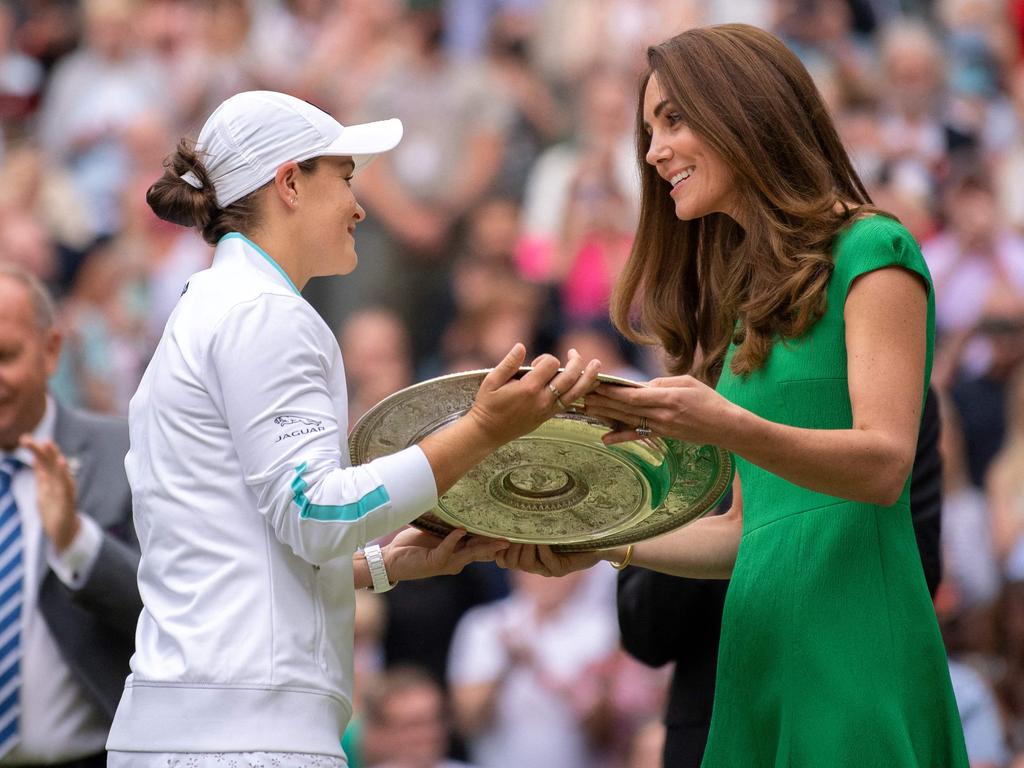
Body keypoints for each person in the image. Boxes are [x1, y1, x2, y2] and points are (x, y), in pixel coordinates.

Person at [497, 24, 969, 766]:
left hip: (852, 649)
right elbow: (745, 533)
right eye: (649, 129)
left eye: (673, 120)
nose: (653, 152)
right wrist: (592, 540)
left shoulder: (874, 251)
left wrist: (726, 423)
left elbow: (883, 465)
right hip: (757, 653)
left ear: (744, 110)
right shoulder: (747, 305)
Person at [104, 90, 600, 765]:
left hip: (201, 729)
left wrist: (379, 565)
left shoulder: (212, 307)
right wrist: (483, 429)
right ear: (289, 184)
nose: (360, 205)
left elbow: (243, 534)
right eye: (344, 177)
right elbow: (315, 514)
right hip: (245, 741)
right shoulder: (263, 314)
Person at [617, 385, 944, 768]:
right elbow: (644, 631)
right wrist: (695, 482)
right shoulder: (663, 405)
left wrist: (739, 432)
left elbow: (914, 571)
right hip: (710, 723)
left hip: (845, 708)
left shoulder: (889, 395)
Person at [0, 262, 139, 767]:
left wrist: (76, 541)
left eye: (6, 356)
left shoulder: (123, 452)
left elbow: (165, 609)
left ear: (52, 350)